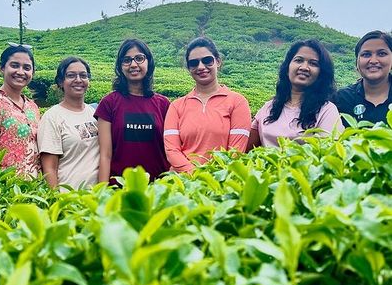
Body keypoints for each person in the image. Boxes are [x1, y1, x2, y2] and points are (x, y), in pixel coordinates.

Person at [164, 37, 251, 173]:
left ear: (218, 61)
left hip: (221, 182)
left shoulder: (237, 102)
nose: (201, 67)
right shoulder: (176, 106)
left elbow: (235, 153)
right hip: (182, 183)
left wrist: (211, 180)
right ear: (189, 68)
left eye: (207, 60)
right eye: (194, 63)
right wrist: (196, 176)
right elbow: (172, 151)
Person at [95, 38, 170, 183]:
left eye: (139, 58)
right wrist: (102, 194)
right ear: (120, 66)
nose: (133, 64)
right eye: (127, 60)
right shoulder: (109, 103)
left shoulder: (164, 104)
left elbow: (170, 150)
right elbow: (105, 155)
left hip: (158, 188)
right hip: (119, 188)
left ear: (149, 62)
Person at [249, 39, 342, 148]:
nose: (304, 67)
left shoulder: (327, 111)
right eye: (298, 60)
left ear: (321, 73)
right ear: (287, 67)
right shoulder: (269, 107)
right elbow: (245, 147)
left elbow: (329, 154)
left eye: (313, 63)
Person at [0, 43, 40, 176]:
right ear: (2, 68)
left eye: (27, 68)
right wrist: (4, 187)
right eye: (14, 65)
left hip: (36, 191)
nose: (21, 72)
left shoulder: (32, 107)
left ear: (32, 72)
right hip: (7, 191)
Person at [37, 57, 99, 189]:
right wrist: (57, 202)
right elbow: (49, 168)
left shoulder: (95, 113)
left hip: (97, 197)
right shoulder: (52, 117)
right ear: (61, 82)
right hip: (69, 197)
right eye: (71, 75)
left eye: (83, 75)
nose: (78, 80)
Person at [334, 30, 392, 125]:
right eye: (366, 54)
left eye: (381, 54)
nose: (373, 60)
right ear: (357, 62)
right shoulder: (341, 99)